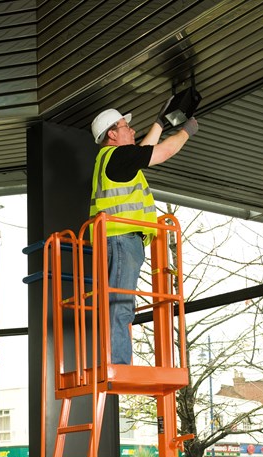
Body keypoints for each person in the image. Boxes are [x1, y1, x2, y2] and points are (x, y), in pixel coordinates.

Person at [90, 103, 198, 364]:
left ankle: (116, 360)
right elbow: (162, 152)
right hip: (121, 239)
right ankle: (117, 364)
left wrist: (160, 123)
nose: (132, 129)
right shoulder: (117, 158)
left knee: (118, 303)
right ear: (112, 134)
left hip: (118, 239)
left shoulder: (116, 160)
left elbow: (143, 152)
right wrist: (187, 131)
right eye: (126, 126)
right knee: (119, 305)